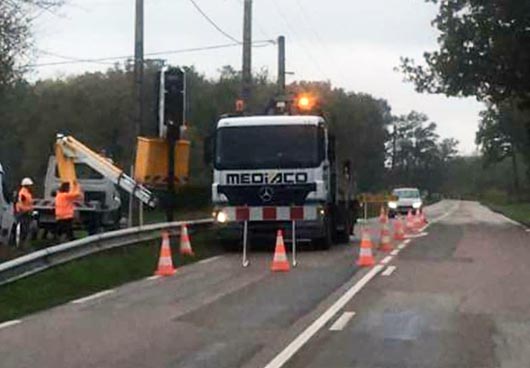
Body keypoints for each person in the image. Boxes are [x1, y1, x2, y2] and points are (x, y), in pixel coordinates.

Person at [15, 177, 35, 245]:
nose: (31, 186)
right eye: (30, 185)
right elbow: (21, 203)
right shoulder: (23, 193)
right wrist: (24, 210)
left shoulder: (26, 192)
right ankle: (21, 243)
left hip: (26, 212)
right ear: (27, 185)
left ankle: (22, 243)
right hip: (23, 213)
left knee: (26, 228)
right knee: (24, 229)